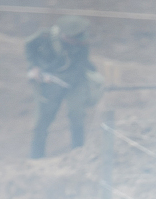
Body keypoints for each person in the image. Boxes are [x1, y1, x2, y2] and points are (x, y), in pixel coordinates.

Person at [26, 15, 102, 159]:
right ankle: (36, 157)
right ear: (65, 36)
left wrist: (66, 81)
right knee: (43, 116)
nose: (79, 41)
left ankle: (78, 152)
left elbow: (80, 66)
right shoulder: (45, 36)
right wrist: (34, 67)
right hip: (50, 81)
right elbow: (29, 45)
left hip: (74, 82)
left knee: (76, 113)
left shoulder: (82, 42)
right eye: (74, 39)